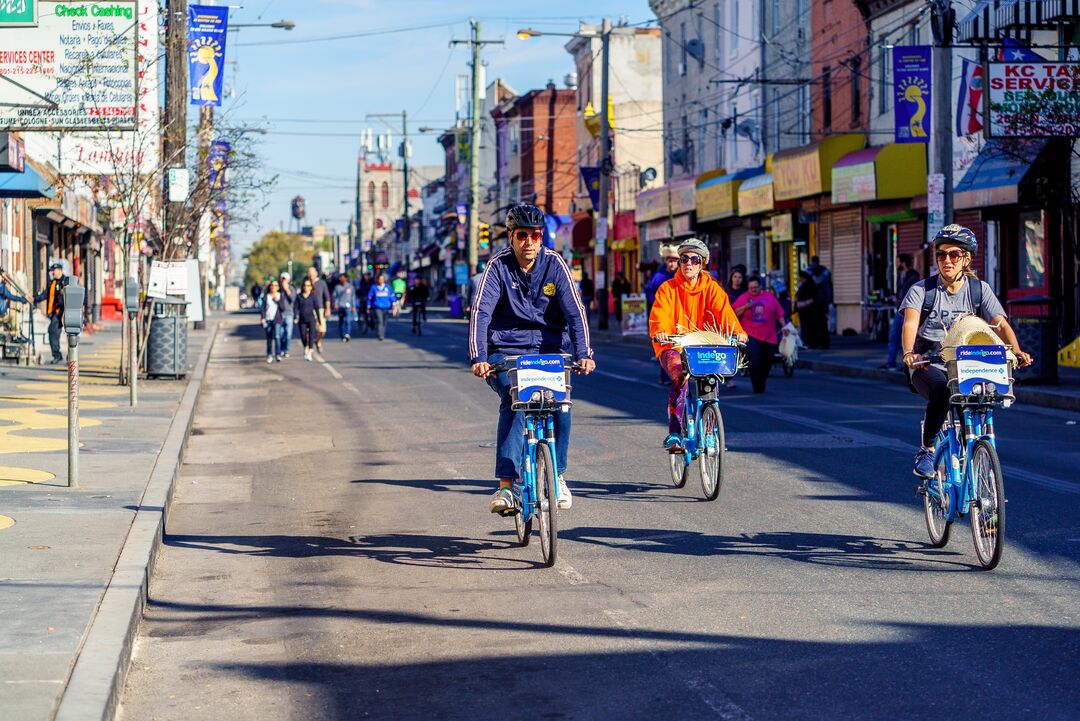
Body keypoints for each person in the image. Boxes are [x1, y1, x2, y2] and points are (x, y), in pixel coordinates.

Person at [470, 204, 595, 514]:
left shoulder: (555, 265)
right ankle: (506, 487)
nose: (529, 242)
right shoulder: (497, 267)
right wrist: (479, 356)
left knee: (561, 404)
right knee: (515, 402)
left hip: (550, 351)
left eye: (535, 236)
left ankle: (559, 475)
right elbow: (480, 312)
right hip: (506, 351)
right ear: (511, 237)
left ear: (542, 238)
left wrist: (584, 354)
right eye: (522, 235)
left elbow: (575, 312)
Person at [901, 225, 1031, 478]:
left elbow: (1000, 324)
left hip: (967, 362)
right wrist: (909, 353)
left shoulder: (979, 290)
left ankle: (977, 468)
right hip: (928, 362)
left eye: (953, 254)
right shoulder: (922, 291)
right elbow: (909, 323)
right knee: (942, 392)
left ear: (966, 258)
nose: (946, 260)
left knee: (982, 398)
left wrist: (1016, 351)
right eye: (941, 255)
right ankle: (926, 450)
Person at [649, 238, 745, 451]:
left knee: (711, 378)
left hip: (704, 345)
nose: (688, 263)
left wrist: (738, 333)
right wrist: (661, 332)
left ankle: (709, 428)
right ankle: (675, 432)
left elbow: (725, 313)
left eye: (694, 259)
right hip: (673, 345)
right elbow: (659, 315)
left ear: (702, 263)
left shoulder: (712, 289)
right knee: (679, 376)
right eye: (684, 259)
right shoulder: (667, 288)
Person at [734, 275, 787, 394]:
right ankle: (757, 385)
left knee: (768, 360)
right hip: (752, 335)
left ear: (760, 287)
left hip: (769, 335)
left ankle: (762, 380)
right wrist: (746, 306)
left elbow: (779, 313)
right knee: (755, 360)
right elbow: (734, 312)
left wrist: (784, 326)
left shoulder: (769, 296)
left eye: (755, 287)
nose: (753, 290)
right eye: (750, 288)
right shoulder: (744, 297)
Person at [881, 253, 922, 370]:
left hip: (908, 311)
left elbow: (912, 295)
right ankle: (891, 362)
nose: (896, 264)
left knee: (910, 340)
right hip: (899, 311)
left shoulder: (913, 277)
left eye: (898, 261)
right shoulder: (901, 275)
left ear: (903, 262)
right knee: (893, 337)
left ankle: (908, 365)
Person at [645, 248, 680, 385]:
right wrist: (659, 302)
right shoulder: (658, 276)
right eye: (670, 261)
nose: (672, 264)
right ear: (665, 261)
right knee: (665, 346)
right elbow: (649, 293)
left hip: (678, 315)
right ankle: (666, 376)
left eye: (675, 261)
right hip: (663, 315)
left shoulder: (681, 275)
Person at [33, 263, 68, 364]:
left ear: (60, 270)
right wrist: (34, 299)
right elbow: (45, 295)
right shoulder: (52, 283)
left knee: (60, 332)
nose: (52, 273)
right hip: (55, 313)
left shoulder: (65, 281)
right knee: (53, 332)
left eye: (54, 270)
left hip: (62, 312)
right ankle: (57, 355)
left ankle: (61, 355)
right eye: (51, 271)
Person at [807, 255, 833, 348]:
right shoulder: (825, 272)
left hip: (812, 302)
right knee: (822, 323)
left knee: (813, 324)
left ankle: (814, 343)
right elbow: (828, 289)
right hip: (821, 301)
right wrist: (828, 302)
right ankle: (824, 343)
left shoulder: (809, 271)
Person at [294, 277, 321, 361]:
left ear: (311, 287)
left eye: (308, 285)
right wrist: (296, 316)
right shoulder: (299, 296)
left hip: (311, 318)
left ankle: (309, 351)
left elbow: (317, 308)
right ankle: (305, 346)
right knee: (303, 335)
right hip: (302, 319)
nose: (306, 287)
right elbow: (295, 308)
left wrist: (319, 319)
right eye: (305, 285)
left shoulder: (313, 296)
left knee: (312, 335)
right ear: (303, 286)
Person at [260, 279, 287, 362]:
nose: (274, 287)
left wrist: (277, 301)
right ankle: (269, 355)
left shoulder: (280, 296)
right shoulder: (266, 296)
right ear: (270, 287)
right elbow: (263, 309)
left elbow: (283, 309)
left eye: (276, 285)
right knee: (269, 338)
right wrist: (263, 318)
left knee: (277, 336)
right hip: (268, 319)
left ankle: (278, 354)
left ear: (278, 287)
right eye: (272, 285)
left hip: (277, 320)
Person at [306, 267, 331, 353]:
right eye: (309, 274)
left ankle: (318, 341)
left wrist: (328, 309)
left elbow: (327, 297)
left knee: (322, 330)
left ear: (316, 274)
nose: (311, 275)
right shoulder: (307, 284)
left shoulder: (322, 283)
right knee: (309, 329)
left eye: (312, 274)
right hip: (309, 309)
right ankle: (310, 346)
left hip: (320, 309)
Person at [366, 272, 397, 341]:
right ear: (377, 280)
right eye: (380, 279)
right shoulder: (374, 288)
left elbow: (392, 296)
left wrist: (394, 303)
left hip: (386, 307)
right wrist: (368, 306)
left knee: (384, 322)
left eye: (382, 279)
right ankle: (380, 335)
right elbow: (369, 297)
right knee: (380, 321)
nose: (381, 280)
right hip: (377, 307)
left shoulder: (387, 287)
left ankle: (382, 332)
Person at [0, 267, 28, 338]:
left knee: (13, 312)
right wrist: (22, 299)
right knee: (14, 315)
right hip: (1, 315)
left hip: (3, 313)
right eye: (4, 277)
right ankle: (15, 335)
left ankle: (16, 334)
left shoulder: (2, 286)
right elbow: (10, 296)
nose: (5, 279)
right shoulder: (1, 287)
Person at [794, 270, 819, 346]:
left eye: (801, 278)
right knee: (806, 326)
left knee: (808, 326)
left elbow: (812, 298)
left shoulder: (809, 286)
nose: (800, 280)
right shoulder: (804, 285)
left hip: (808, 309)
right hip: (805, 309)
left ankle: (809, 342)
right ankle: (807, 341)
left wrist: (802, 304)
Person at [332, 274, 356, 341]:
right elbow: (335, 297)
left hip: (348, 306)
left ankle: (347, 334)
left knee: (348, 321)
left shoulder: (350, 287)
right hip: (340, 306)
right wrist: (335, 304)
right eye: (340, 278)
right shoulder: (337, 287)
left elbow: (353, 297)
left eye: (342, 278)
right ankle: (342, 335)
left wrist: (353, 306)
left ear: (346, 278)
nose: (341, 279)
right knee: (341, 321)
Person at [278, 272, 295, 357]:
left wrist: (287, 289)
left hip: (289, 314)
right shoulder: (278, 289)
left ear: (288, 280)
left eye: (285, 279)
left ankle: (286, 350)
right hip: (280, 314)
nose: (283, 280)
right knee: (280, 334)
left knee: (288, 334)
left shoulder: (291, 289)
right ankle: (281, 349)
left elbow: (293, 299)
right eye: (282, 279)